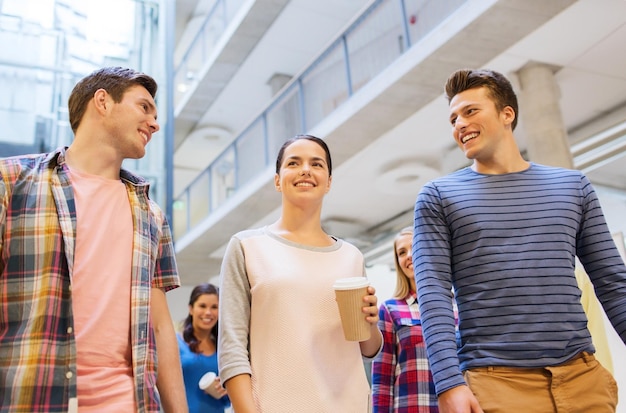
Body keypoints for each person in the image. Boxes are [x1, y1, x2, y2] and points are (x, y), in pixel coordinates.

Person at [413, 68, 626, 413]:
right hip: (495, 383)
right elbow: (433, 295)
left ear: (506, 114)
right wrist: (448, 382)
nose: (459, 125)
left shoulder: (573, 186)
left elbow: (613, 282)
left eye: (470, 111)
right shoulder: (439, 196)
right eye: (453, 118)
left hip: (583, 380)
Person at [0, 67, 187, 412]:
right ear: (102, 101)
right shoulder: (11, 182)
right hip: (33, 398)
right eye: (144, 107)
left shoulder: (152, 215)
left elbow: (161, 329)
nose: (154, 123)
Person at [218, 134, 383, 412]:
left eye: (316, 164)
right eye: (294, 163)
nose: (306, 170)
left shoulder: (351, 256)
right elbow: (232, 350)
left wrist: (370, 322)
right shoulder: (247, 246)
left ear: (329, 182)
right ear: (277, 179)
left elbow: (367, 349)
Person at [372, 226, 438, 412]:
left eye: (414, 246)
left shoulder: (455, 307)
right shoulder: (390, 310)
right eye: (401, 252)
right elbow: (382, 380)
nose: (408, 255)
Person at [178, 283, 230, 412]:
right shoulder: (176, 343)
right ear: (191, 309)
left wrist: (226, 390)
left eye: (214, 307)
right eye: (202, 306)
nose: (208, 312)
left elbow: (228, 400)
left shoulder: (223, 348)